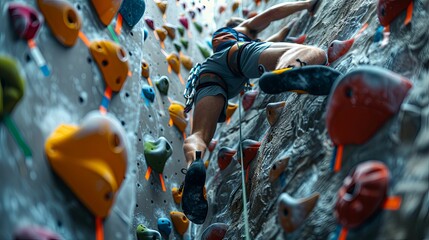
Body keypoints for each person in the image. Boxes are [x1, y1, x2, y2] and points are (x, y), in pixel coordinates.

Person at [181, 0, 327, 224]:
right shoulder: (241, 30)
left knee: (199, 135)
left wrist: (285, 31)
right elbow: (271, 14)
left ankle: (195, 164)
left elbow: (271, 42)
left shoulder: (224, 44)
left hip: (210, 77)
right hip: (236, 60)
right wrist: (306, 4)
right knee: (312, 52)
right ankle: (285, 72)